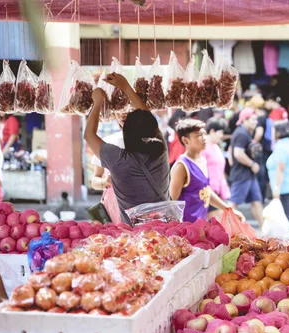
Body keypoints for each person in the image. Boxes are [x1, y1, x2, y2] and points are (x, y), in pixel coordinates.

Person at [84, 73, 169, 226]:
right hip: (164, 228)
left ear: (125, 132)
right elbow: (148, 118)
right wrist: (125, 87)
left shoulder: (117, 158)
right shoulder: (160, 150)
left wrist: (97, 103)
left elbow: (89, 135)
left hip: (133, 235)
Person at [169, 119, 244, 223]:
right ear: (185, 140)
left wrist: (228, 209)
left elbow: (206, 191)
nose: (204, 138)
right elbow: (172, 202)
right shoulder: (181, 166)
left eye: (204, 134)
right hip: (186, 229)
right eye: (198, 135)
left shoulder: (202, 160)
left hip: (200, 226)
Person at [229, 108, 264, 228]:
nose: (255, 123)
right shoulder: (241, 133)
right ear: (244, 120)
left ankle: (264, 231)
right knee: (232, 205)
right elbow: (238, 153)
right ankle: (223, 228)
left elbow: (231, 150)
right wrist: (252, 164)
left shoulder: (244, 133)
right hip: (242, 175)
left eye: (256, 120)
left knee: (256, 202)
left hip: (248, 175)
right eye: (253, 120)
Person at [266, 121, 289, 234]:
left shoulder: (280, 146)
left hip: (284, 185)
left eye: (273, 130)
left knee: (286, 213)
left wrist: (277, 187)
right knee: (286, 212)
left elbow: (281, 168)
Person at [90, 129, 124, 224]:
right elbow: (94, 181)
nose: (122, 115)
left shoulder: (144, 144)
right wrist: (105, 181)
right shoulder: (107, 142)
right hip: (111, 206)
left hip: (136, 204)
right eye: (119, 113)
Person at [201, 117, 231, 219]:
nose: (222, 136)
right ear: (212, 131)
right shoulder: (203, 148)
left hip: (218, 189)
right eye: (220, 132)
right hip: (208, 190)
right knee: (213, 218)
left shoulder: (216, 147)